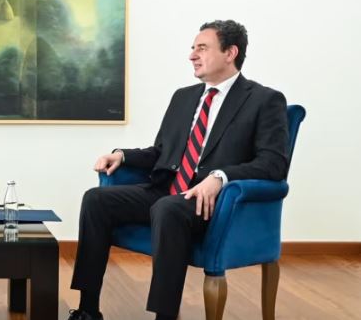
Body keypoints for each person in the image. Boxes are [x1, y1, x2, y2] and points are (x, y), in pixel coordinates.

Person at [67, 20, 289, 320]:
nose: (192, 55)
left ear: (230, 53)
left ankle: (165, 316)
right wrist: (122, 156)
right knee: (96, 199)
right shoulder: (184, 97)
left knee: (168, 208)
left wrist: (220, 177)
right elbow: (162, 153)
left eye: (202, 48)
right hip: (166, 190)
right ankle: (88, 309)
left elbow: (273, 163)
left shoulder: (264, 100)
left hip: (211, 204)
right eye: (193, 48)